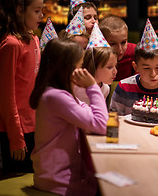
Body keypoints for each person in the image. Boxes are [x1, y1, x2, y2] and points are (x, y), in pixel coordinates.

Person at [30, 38, 108, 196]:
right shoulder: (55, 97)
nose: (82, 71)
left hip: (57, 174)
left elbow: (84, 108)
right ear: (67, 69)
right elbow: (101, 124)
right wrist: (92, 86)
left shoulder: (56, 92)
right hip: (57, 180)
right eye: (80, 67)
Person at [0, 0, 43, 174]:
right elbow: (6, 95)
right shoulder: (11, 44)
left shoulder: (34, 39)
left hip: (32, 121)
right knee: (17, 178)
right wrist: (15, 137)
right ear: (20, 10)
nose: (41, 16)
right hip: (15, 126)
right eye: (37, 11)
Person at [110, 19, 158, 116]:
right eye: (146, 68)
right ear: (135, 67)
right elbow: (114, 118)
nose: (153, 74)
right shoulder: (124, 88)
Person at [99, 15, 136, 81]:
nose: (119, 49)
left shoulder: (134, 51)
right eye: (113, 44)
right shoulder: (94, 55)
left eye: (123, 42)